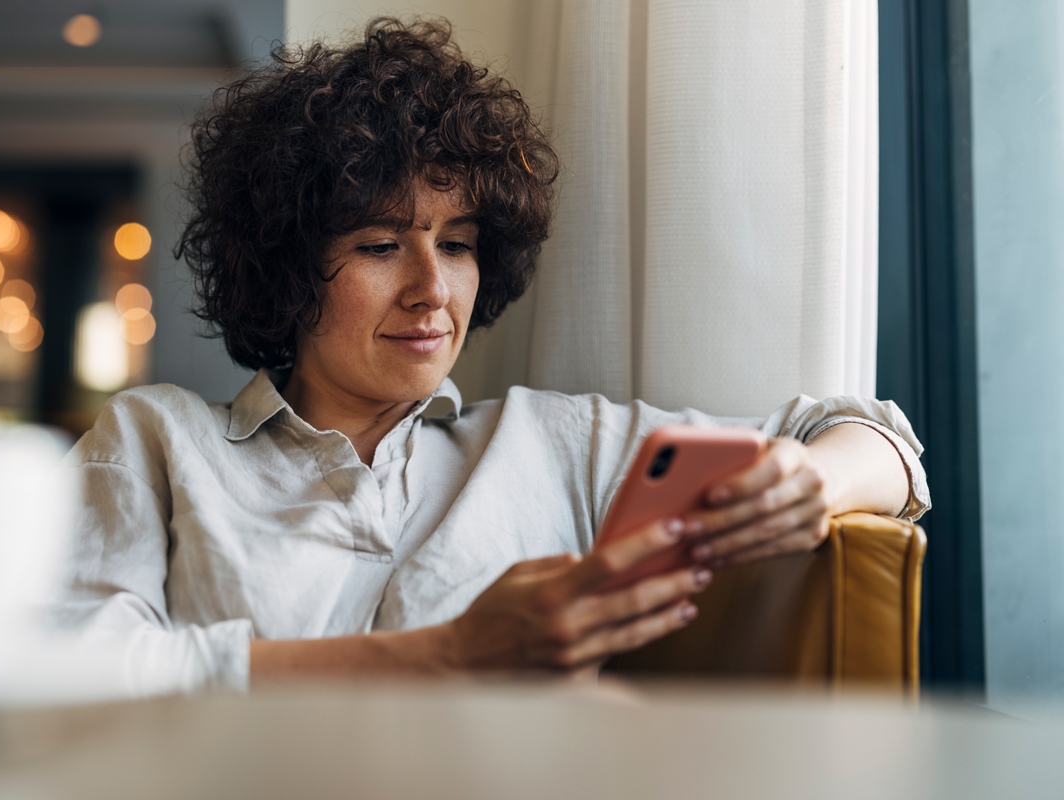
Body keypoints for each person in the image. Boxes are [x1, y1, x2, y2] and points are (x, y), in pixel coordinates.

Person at [57, 18, 928, 695]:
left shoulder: (557, 444)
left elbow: (874, 437)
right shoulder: (158, 441)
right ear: (285, 264)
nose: (434, 289)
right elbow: (76, 674)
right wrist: (445, 658)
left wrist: (813, 483)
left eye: (460, 244)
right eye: (378, 245)